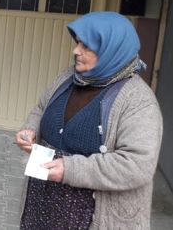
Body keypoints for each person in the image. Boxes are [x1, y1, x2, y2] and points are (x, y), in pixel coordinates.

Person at [15, 11, 163, 229]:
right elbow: (41, 107)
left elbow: (136, 165)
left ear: (112, 51)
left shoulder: (138, 101)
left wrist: (70, 169)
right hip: (43, 200)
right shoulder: (69, 77)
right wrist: (31, 129)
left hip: (89, 214)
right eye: (78, 43)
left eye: (86, 47)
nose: (76, 51)